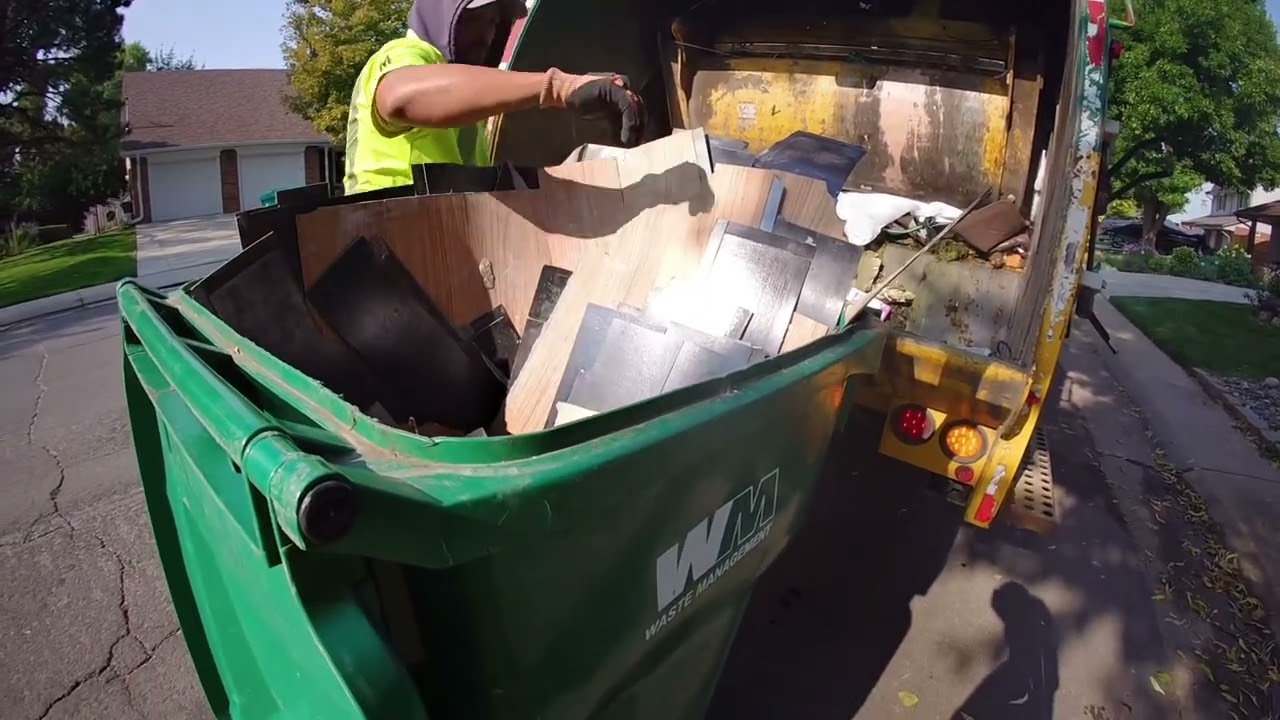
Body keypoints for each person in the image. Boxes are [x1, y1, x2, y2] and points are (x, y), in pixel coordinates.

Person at [344, 0, 645, 194]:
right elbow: (398, 98)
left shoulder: (470, 111)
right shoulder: (405, 54)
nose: (487, 35)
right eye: (477, 18)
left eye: (495, 22)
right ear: (445, 12)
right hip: (382, 246)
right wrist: (560, 87)